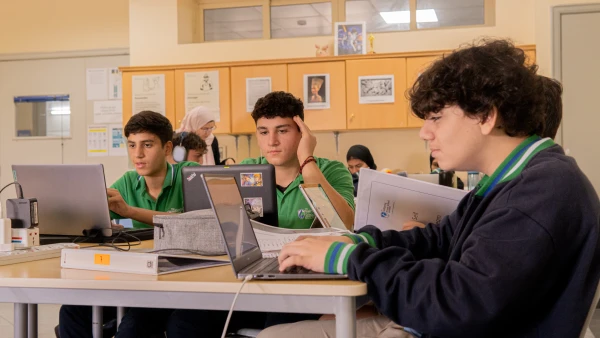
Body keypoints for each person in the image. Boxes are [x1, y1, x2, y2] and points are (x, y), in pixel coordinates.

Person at [258, 40, 600, 338]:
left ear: (486, 117)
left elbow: (458, 302)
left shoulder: (540, 192)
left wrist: (345, 258)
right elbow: (436, 238)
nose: (424, 133)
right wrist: (356, 241)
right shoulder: (516, 180)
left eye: (436, 118)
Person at [59, 111, 199, 338]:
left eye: (147, 145)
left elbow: (195, 226)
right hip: (132, 280)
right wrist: (101, 222)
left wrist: (130, 212)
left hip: (176, 284)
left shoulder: (190, 175)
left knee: (134, 326)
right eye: (132, 145)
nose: (138, 154)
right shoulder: (126, 181)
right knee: (72, 312)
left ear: (166, 148)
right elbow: (94, 214)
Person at [241, 91, 355, 229]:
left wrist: (307, 160)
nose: (272, 142)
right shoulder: (246, 170)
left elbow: (345, 224)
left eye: (282, 131)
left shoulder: (331, 171)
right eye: (264, 132)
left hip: (313, 251)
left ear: (302, 132)